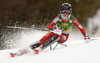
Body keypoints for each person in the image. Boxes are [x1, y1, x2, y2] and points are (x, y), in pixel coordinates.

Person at [10, 3, 90, 57]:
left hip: (64, 36)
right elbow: (49, 26)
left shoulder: (73, 19)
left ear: (70, 12)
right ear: (61, 11)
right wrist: (54, 29)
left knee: (58, 35)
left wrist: (85, 36)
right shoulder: (58, 17)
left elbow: (81, 28)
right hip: (55, 32)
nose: (65, 13)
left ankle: (41, 48)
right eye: (63, 11)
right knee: (43, 39)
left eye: (67, 11)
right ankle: (23, 50)